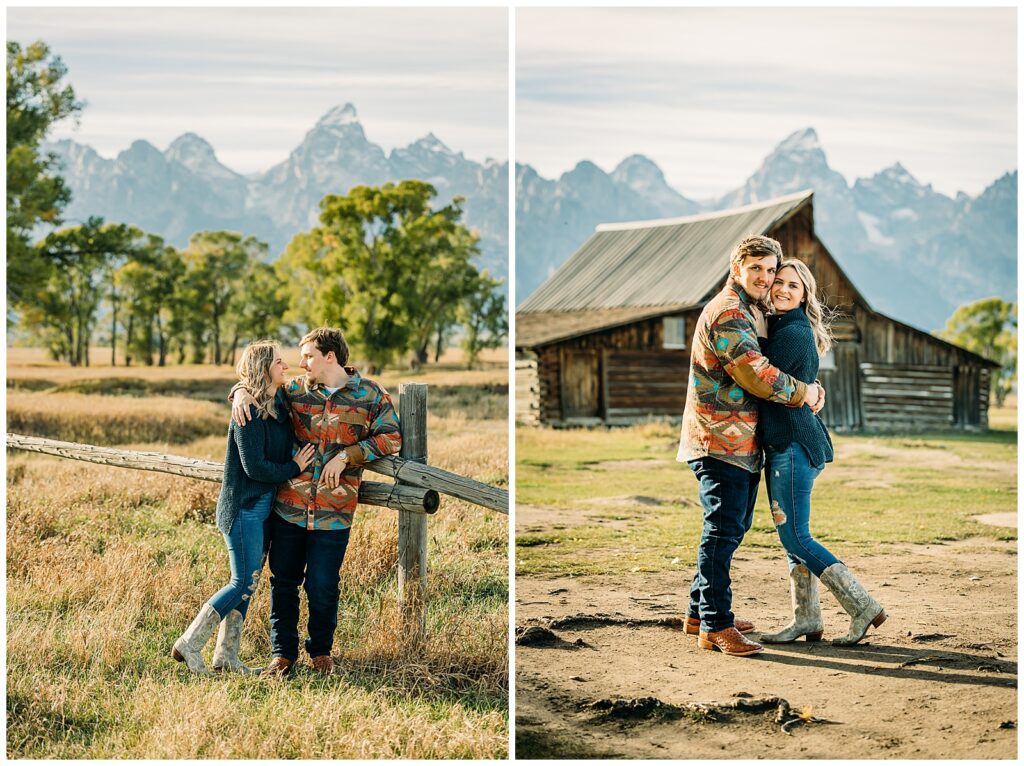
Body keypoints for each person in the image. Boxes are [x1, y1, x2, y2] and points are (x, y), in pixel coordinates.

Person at [677, 235, 824, 657]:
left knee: (732, 528)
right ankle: (715, 626)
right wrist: (806, 394)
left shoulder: (750, 310)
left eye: (769, 269)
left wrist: (806, 389)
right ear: (736, 268)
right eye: (755, 268)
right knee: (722, 531)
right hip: (719, 440)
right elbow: (754, 373)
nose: (764, 277)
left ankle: (698, 612)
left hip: (741, 442)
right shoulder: (728, 312)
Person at [230, 326, 401, 677]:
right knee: (284, 582)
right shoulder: (293, 392)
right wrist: (239, 393)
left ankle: (321, 652)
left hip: (334, 512)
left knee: (323, 584)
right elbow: (257, 387)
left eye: (307, 355)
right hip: (289, 506)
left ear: (330, 357)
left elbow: (392, 437)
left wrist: (350, 455)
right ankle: (283, 654)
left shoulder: (370, 395)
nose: (300, 362)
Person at [758, 259, 887, 646]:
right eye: (777, 282)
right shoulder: (785, 327)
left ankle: (862, 605)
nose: (782, 289)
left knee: (797, 537)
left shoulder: (791, 333)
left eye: (793, 286)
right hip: (792, 444)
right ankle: (807, 620)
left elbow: (761, 378)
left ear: (804, 295)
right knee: (792, 539)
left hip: (794, 447)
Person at [172, 341, 316, 675]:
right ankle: (189, 644)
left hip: (264, 511)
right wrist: (294, 467)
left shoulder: (277, 402)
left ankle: (226, 657)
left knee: (249, 584)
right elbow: (256, 469)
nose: (286, 366)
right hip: (242, 510)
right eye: (279, 361)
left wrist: (237, 389)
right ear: (265, 368)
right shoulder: (247, 411)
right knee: (240, 582)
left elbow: (254, 388)